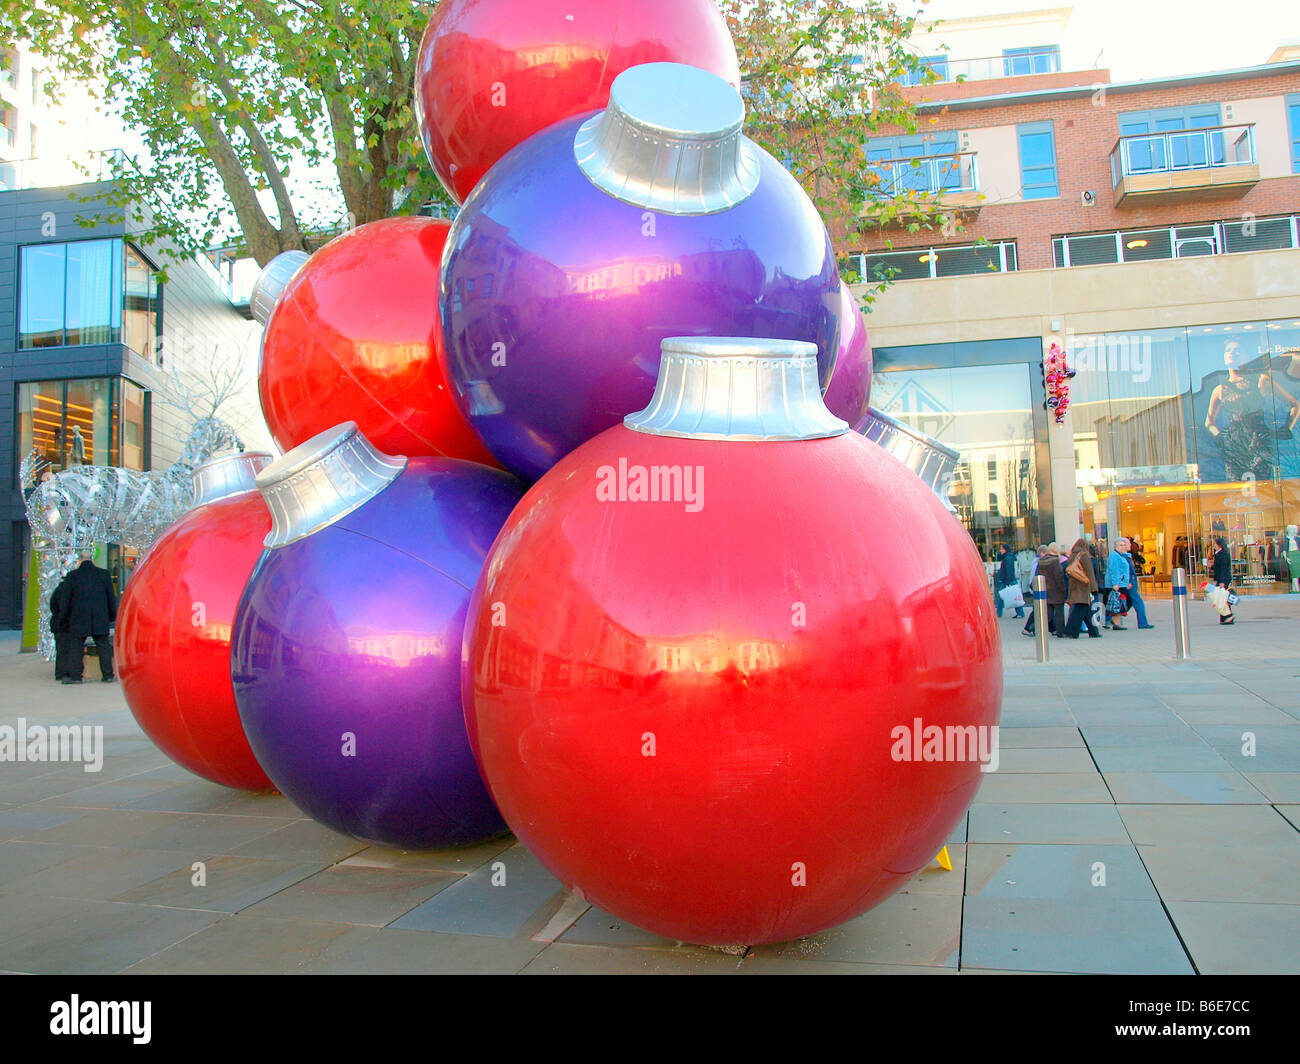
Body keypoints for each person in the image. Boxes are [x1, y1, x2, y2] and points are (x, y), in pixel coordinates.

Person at [59, 550, 117, 682]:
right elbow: (110, 598)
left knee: (76, 645)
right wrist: (112, 616)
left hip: (79, 617)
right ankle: (108, 674)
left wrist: (63, 618)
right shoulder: (104, 574)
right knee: (103, 644)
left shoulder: (72, 576)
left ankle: (76, 676)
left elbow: (65, 600)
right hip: (100, 616)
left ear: (79, 561)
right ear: (92, 560)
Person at [1063, 538, 1102, 638]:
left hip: (1074, 586)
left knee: (1085, 610)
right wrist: (1094, 587)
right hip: (1083, 586)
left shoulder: (1072, 555)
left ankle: (1093, 632)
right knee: (1081, 610)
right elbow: (1090, 572)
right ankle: (1072, 632)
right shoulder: (1084, 555)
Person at [50, 572, 76, 682]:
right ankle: (64, 672)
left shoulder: (57, 591)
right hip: (65, 625)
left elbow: (53, 607)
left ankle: (60, 672)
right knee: (65, 650)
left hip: (58, 624)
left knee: (61, 649)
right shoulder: (66, 593)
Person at [1125, 536, 1154, 629]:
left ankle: (1109, 618)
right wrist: (1128, 581)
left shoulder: (1128, 556)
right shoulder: (1123, 557)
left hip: (1131, 581)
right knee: (1138, 602)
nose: (1130, 545)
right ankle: (1142, 622)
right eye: (1128, 544)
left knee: (1128, 602)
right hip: (1129, 582)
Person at [1104, 537, 1133, 630]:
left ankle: (1115, 621)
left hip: (1122, 583)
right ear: (1116, 546)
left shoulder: (1122, 556)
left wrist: (1127, 582)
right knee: (1124, 601)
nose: (1123, 546)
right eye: (1120, 545)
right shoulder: (1114, 556)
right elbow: (1114, 570)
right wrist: (1115, 583)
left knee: (1121, 602)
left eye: (1124, 544)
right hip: (1117, 584)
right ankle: (1114, 620)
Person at [994, 544, 1024, 619]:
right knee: (1012, 596)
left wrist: (1008, 581)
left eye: (1001, 549)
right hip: (1008, 580)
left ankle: (999, 613)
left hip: (1008, 581)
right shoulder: (1008, 557)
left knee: (1004, 596)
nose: (1000, 551)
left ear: (1005, 550)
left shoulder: (1007, 558)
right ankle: (999, 612)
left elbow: (1009, 570)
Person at [1212, 535, 1235, 625]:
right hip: (1222, 579)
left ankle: (1228, 615)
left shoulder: (1223, 554)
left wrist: (1222, 581)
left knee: (1222, 598)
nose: (1213, 545)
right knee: (1221, 598)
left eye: (1214, 544)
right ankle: (1225, 616)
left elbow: (1223, 568)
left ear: (1219, 545)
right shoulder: (1219, 554)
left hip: (1223, 579)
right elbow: (1218, 567)